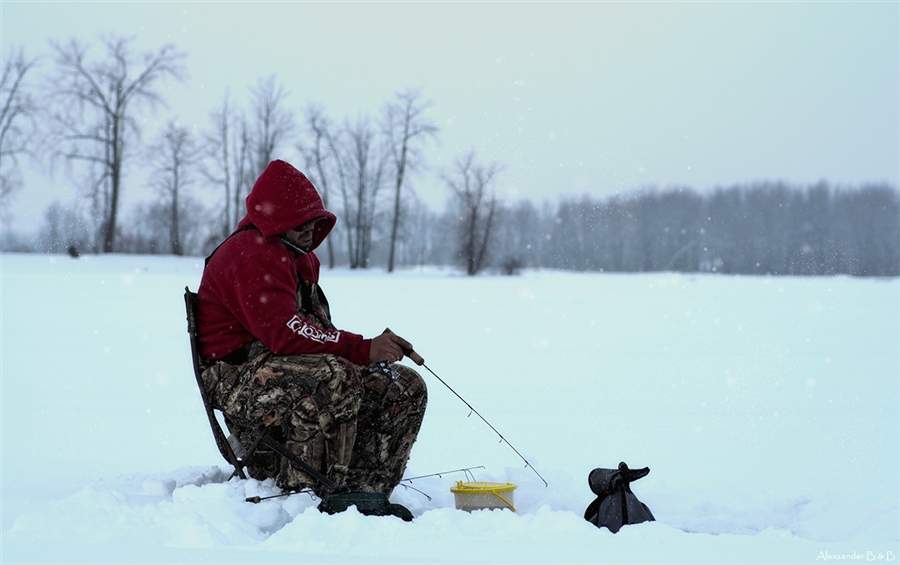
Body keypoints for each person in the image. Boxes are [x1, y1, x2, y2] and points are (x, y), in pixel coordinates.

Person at [196, 159, 427, 516]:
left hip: (278, 368)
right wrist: (361, 350)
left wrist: (371, 349)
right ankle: (316, 495)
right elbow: (285, 334)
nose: (310, 228)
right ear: (276, 222)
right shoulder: (252, 255)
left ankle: (367, 491)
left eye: (314, 219)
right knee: (335, 375)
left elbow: (313, 330)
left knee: (404, 384)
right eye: (298, 220)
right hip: (235, 377)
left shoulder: (295, 257)